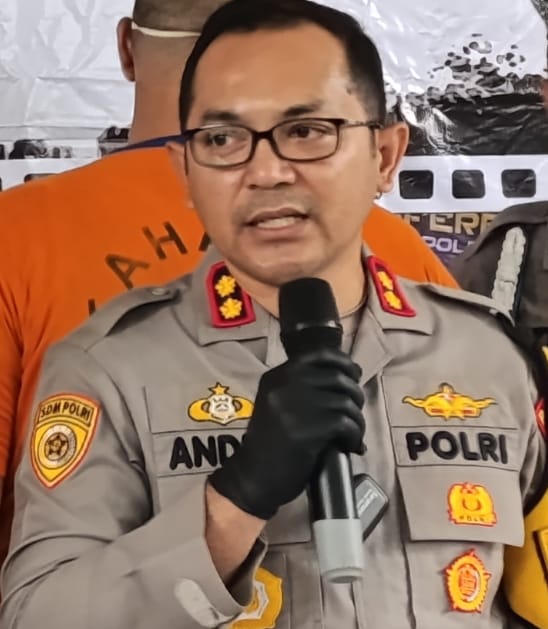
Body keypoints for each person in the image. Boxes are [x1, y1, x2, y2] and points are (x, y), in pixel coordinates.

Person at [1, 1, 543, 626]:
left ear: (386, 155)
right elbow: (37, 616)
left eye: (307, 131)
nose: (265, 172)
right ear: (185, 170)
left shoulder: (489, 356)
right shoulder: (107, 370)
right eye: (222, 139)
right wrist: (235, 501)